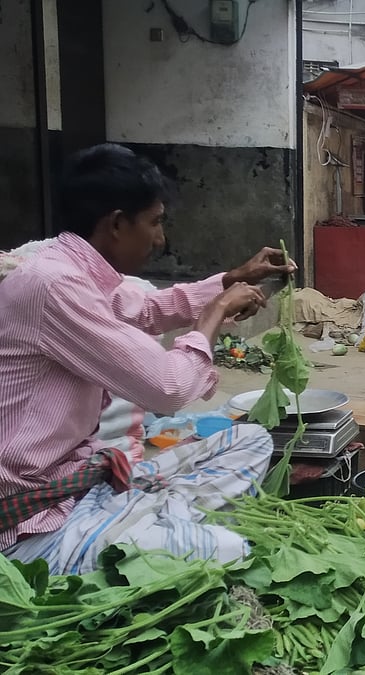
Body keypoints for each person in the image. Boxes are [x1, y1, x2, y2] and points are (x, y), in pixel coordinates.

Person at [0, 143, 292, 575]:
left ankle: (151, 526)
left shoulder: (77, 270)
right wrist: (213, 315)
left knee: (252, 441)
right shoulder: (51, 285)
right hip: (35, 518)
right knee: (232, 552)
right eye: (155, 223)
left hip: (83, 483)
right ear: (117, 224)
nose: (161, 239)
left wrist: (230, 280)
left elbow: (149, 309)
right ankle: (150, 532)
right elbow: (168, 389)